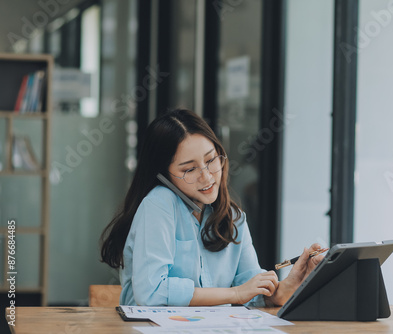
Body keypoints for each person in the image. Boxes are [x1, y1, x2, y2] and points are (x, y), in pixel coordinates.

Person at [99, 109, 324, 306]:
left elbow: (251, 289)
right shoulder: (159, 202)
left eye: (211, 160)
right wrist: (234, 294)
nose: (206, 177)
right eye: (189, 169)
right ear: (164, 175)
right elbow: (151, 292)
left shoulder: (233, 216)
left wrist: (286, 287)